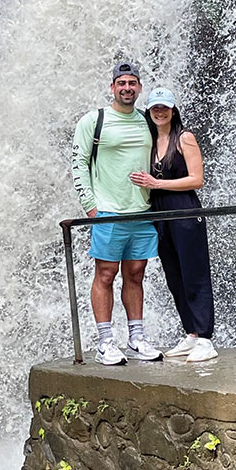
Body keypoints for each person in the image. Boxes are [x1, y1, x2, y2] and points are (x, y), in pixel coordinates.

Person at [72, 62, 163, 366]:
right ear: (112, 87)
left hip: (141, 211)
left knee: (136, 274)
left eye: (132, 83)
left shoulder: (146, 122)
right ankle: (105, 342)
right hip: (108, 213)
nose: (127, 88)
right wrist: (91, 206)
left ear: (139, 88)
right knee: (106, 274)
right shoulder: (94, 121)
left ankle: (136, 338)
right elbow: (79, 163)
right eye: (121, 83)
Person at [130, 86, 217, 362]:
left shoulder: (185, 138)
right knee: (174, 274)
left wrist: (158, 183)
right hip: (160, 215)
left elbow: (197, 179)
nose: (159, 112)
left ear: (173, 110)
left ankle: (205, 338)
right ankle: (190, 333)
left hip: (185, 211)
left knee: (195, 272)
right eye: (155, 108)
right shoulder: (149, 140)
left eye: (164, 108)